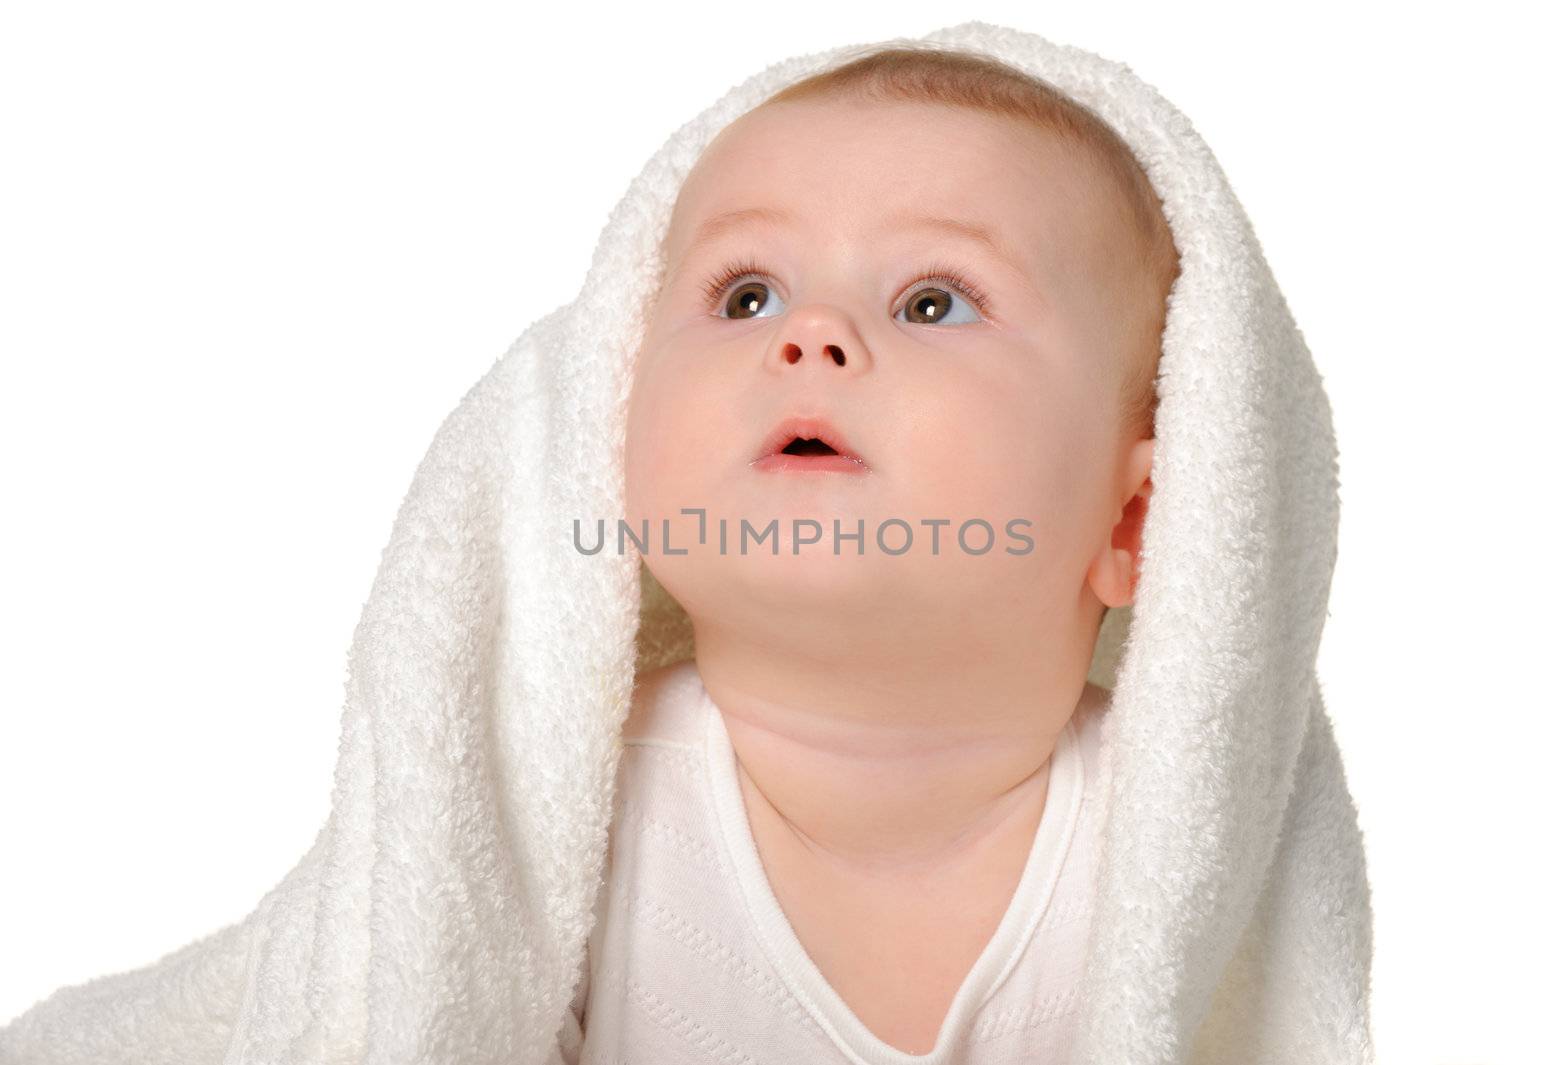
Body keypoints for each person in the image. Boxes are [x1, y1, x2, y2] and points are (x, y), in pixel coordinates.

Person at [0, 22, 1375, 1065]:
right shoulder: (566, 815)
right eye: (746, 287)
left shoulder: (1163, 853)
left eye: (937, 298)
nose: (811, 333)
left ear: (1144, 520)